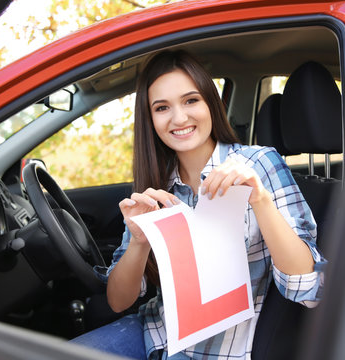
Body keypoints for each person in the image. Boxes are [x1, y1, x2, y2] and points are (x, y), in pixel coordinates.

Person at [71, 50, 326, 359]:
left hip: (220, 350)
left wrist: (259, 200)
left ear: (210, 104)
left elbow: (308, 290)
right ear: (151, 120)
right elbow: (118, 302)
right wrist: (138, 241)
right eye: (162, 107)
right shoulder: (157, 187)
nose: (179, 118)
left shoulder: (259, 164)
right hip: (154, 333)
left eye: (191, 100)